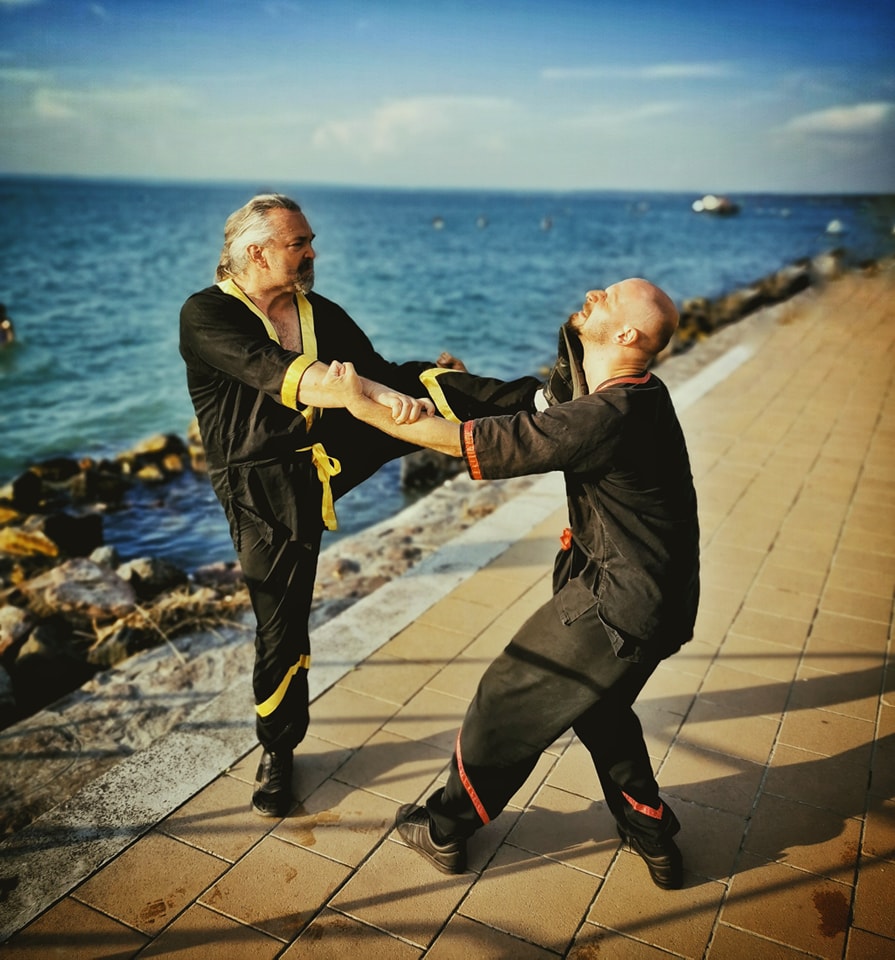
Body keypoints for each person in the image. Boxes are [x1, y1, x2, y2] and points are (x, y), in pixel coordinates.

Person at [327, 277, 700, 889]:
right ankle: (649, 829)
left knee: (505, 700)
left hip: (617, 604)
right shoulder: (637, 393)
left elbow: (477, 445)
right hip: (661, 598)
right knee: (600, 708)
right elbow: (543, 399)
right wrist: (445, 387)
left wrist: (360, 404)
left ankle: (445, 830)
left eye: (608, 297)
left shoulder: (611, 415)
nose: (593, 294)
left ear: (629, 334)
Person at [180, 193, 457, 817]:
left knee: (429, 380)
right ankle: (278, 749)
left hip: (324, 448)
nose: (312, 252)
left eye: (309, 241)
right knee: (282, 620)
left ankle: (542, 405)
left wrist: (414, 392)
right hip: (259, 488)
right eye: (298, 243)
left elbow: (376, 368)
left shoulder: (316, 310)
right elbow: (294, 375)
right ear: (256, 252)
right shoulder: (205, 314)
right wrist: (385, 396)